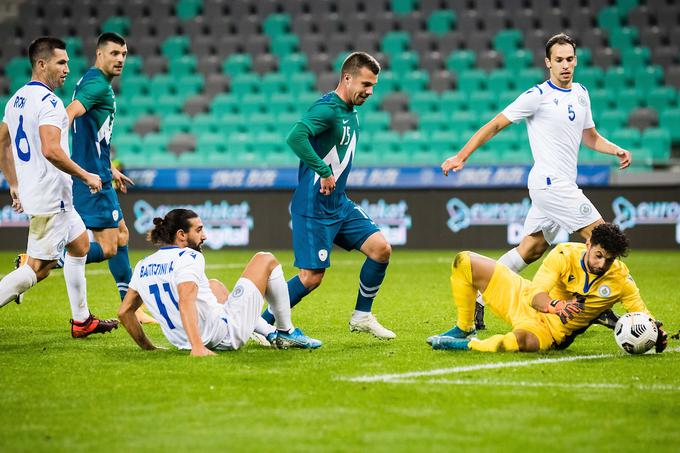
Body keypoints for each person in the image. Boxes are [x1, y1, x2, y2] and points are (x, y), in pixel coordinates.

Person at [441, 33, 631, 331]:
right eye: (559, 60)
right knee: (601, 237)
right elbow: (494, 125)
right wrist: (461, 156)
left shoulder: (581, 92)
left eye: (570, 59)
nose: (565, 65)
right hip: (550, 184)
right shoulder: (537, 96)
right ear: (548, 63)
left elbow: (590, 136)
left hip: (557, 186)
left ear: (576, 60)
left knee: (530, 249)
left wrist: (614, 148)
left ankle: (480, 297)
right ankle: (595, 305)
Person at [260, 51, 395, 340]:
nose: (370, 92)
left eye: (373, 86)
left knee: (381, 249)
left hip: (339, 204)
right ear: (347, 78)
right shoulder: (326, 109)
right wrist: (322, 170)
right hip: (313, 207)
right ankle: (260, 324)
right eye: (365, 84)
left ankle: (361, 316)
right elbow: (295, 136)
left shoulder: (350, 112)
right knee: (311, 278)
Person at [0, 36, 118, 337]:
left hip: (44, 194)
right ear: (42, 64)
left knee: (79, 245)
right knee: (37, 270)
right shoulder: (50, 102)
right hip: (53, 198)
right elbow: (51, 150)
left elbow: (2, 141)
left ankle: (82, 320)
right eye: (60, 62)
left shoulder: (16, 100)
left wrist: (13, 183)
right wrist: (87, 175)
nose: (67, 68)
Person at [427, 223, 668, 353]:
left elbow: (640, 312)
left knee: (513, 344)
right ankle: (464, 327)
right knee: (465, 261)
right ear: (588, 244)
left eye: (609, 259)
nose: (602, 264)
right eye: (598, 255)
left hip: (550, 332)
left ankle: (467, 345)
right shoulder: (563, 254)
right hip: (525, 297)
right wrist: (557, 305)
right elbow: (535, 294)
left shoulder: (621, 280)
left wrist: (654, 332)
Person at [118, 209, 322, 355]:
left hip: (182, 342)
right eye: (198, 230)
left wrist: (148, 348)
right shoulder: (189, 257)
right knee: (265, 258)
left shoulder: (143, 264)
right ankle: (287, 332)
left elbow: (124, 312)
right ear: (181, 235)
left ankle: (268, 332)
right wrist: (198, 347)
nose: (204, 236)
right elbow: (186, 300)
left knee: (214, 285)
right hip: (220, 336)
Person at [60, 32, 154, 323]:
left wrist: (109, 168)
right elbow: (67, 116)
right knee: (111, 246)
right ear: (99, 54)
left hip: (100, 174)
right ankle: (48, 258)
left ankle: (132, 308)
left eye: (124, 54)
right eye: (114, 53)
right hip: (92, 182)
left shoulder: (90, 80)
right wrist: (69, 160)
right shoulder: (98, 85)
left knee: (122, 235)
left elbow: (89, 134)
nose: (121, 59)